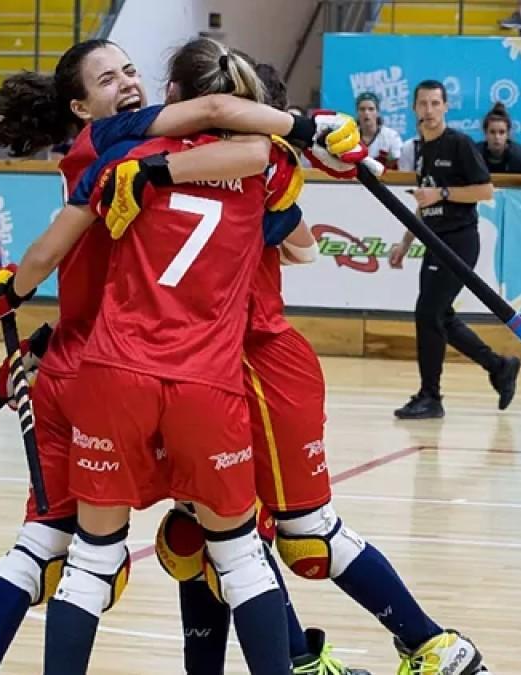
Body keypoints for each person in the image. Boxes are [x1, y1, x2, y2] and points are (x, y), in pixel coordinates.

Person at [0, 38, 362, 675]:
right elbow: (259, 159)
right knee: (231, 549)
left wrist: (17, 292)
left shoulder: (118, 158)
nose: (127, 83)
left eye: (131, 71)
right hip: (193, 378)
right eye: (108, 78)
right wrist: (312, 129)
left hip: (99, 367)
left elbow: (51, 262)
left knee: (74, 554)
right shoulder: (233, 158)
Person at [145, 61, 492, 675]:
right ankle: (297, 659)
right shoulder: (168, 161)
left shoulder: (238, 166)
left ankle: (433, 645)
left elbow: (301, 241)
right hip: (195, 370)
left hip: (256, 363)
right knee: (207, 533)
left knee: (298, 534)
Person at [387, 80, 519, 420]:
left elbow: (485, 191)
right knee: (439, 315)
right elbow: (424, 200)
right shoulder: (421, 148)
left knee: (428, 314)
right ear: (414, 108)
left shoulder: (458, 144)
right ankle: (498, 366)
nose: (429, 110)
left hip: (459, 240)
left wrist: (444, 194)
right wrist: (405, 242)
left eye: (435, 103)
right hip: (434, 240)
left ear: (446, 107)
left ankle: (431, 396)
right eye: (423, 104)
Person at [476, 102, 521, 174]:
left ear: (508, 134)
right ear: (485, 133)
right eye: (492, 132)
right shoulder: (473, 156)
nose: (497, 137)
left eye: (502, 132)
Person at [355, 91, 402, 170]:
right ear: (357, 112)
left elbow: (397, 166)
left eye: (371, 109)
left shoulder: (391, 137)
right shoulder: (349, 136)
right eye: (362, 109)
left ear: (378, 112)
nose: (366, 113)